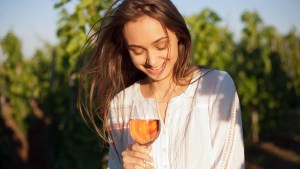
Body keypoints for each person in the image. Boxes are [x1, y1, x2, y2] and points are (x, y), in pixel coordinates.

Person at [78, 0, 245, 168]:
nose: (152, 60)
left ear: (179, 35)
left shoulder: (215, 87)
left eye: (161, 45)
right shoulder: (121, 104)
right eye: (137, 51)